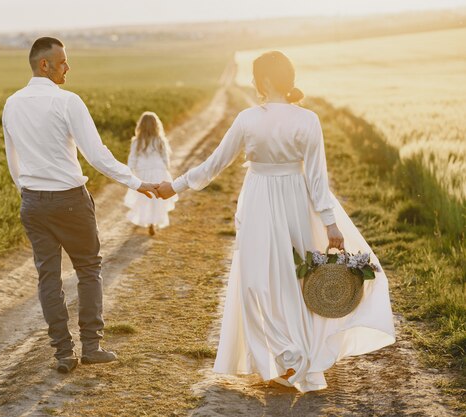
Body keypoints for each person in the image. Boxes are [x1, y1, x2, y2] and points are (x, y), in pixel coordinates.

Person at [156, 51, 395, 392]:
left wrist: (174, 186)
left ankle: (291, 359)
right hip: (289, 198)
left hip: (267, 197)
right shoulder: (287, 118)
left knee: (263, 281)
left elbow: (213, 165)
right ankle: (289, 358)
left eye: (255, 77)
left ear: (266, 80)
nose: (252, 83)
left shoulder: (267, 118)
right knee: (286, 278)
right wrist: (327, 223)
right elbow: (315, 179)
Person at [2, 37, 159, 374]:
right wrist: (136, 182)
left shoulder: (12, 104)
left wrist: (26, 193)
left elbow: (11, 158)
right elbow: (97, 154)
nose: (67, 67)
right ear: (45, 65)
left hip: (32, 202)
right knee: (88, 270)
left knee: (48, 278)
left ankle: (62, 353)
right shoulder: (67, 101)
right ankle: (91, 347)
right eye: (63, 61)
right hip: (70, 201)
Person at [124, 111, 178, 236]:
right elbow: (165, 158)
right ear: (156, 125)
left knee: (143, 198)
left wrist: (130, 172)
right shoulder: (160, 140)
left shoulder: (136, 141)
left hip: (142, 172)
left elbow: (132, 159)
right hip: (158, 171)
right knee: (157, 199)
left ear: (140, 125)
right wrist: (166, 169)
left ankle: (146, 220)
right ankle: (153, 223)